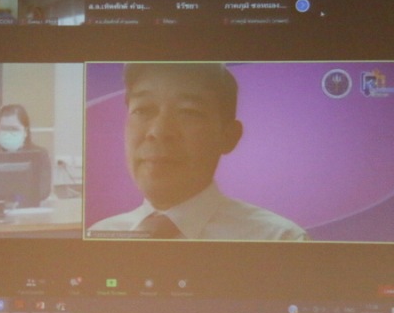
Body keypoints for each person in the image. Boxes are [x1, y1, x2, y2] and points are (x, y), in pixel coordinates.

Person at [87, 63, 309, 241]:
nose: (159, 131)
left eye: (188, 112)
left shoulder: (278, 239)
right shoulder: (100, 234)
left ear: (229, 136)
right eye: (143, 109)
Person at [0, 104, 52, 203]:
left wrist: (15, 198)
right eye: (4, 128)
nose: (8, 134)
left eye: (14, 129)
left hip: (29, 209)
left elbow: (43, 191)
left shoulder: (40, 155)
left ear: (25, 132)